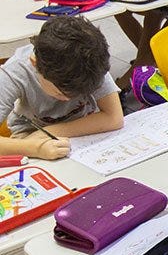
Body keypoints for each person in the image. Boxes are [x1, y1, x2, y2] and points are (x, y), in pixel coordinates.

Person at [0, 16, 124, 160]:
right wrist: (36, 148)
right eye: (59, 93)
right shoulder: (15, 72)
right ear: (35, 65)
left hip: (81, 130)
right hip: (30, 137)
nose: (67, 99)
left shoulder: (91, 62)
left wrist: (48, 132)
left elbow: (114, 118)